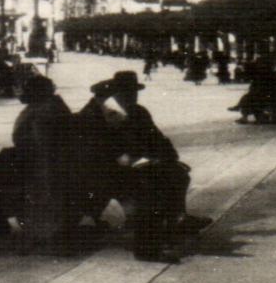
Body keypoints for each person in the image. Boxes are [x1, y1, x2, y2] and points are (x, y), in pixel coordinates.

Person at [76, 71, 209, 263]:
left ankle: (177, 221)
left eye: (134, 92)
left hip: (132, 168)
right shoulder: (95, 116)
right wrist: (124, 159)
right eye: (126, 92)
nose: (132, 97)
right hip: (100, 172)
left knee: (177, 173)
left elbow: (160, 140)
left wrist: (162, 157)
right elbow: (90, 153)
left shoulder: (138, 112)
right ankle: (147, 249)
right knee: (147, 188)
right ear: (114, 93)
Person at [9, 73, 81, 252]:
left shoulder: (44, 111)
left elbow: (43, 145)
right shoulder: (48, 106)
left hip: (41, 164)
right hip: (40, 161)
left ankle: (43, 236)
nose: (20, 93)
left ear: (35, 92)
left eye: (25, 89)